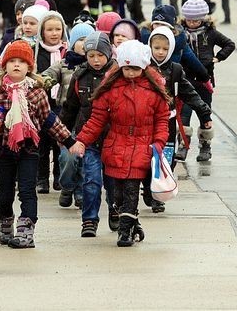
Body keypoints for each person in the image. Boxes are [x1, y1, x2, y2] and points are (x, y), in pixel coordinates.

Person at [69, 40, 170, 247]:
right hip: (116, 146)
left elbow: (162, 119)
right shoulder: (110, 89)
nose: (131, 73)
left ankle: (124, 231)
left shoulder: (154, 90)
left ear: (143, 67)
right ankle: (133, 222)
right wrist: (81, 141)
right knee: (116, 194)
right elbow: (96, 120)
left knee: (132, 190)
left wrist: (159, 143)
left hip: (142, 147)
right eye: (126, 69)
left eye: (135, 68)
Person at [0, 40, 76, 249]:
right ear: (4, 65)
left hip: (29, 150)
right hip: (4, 149)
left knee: (27, 191)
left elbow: (49, 119)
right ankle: (6, 221)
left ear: (29, 67)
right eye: (12, 61)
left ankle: (26, 230)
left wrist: (68, 141)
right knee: (4, 192)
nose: (16, 65)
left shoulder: (36, 92)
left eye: (21, 62)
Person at [146, 26, 212, 213]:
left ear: (171, 49)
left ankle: (158, 194)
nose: (160, 52)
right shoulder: (143, 67)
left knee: (166, 159)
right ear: (149, 46)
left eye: (165, 49)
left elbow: (190, 93)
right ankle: (148, 187)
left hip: (167, 122)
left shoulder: (175, 70)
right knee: (147, 158)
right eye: (156, 48)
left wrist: (204, 114)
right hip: (146, 122)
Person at [59, 31, 117, 237]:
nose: (96, 60)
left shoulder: (117, 75)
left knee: (113, 182)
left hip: (113, 139)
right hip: (89, 138)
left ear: (108, 54)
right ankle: (89, 220)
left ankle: (115, 211)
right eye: (91, 55)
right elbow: (70, 107)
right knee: (91, 181)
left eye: (100, 55)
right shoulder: (79, 76)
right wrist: (64, 136)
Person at [40, 21, 93, 210]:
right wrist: (39, 81)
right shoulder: (64, 64)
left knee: (85, 159)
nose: (85, 44)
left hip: (88, 119)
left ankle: (79, 190)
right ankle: (67, 185)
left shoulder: (96, 67)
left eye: (89, 40)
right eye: (81, 40)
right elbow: (47, 76)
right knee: (67, 157)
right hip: (68, 117)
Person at [179, 0, 235, 161]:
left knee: (204, 113)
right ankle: (183, 144)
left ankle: (205, 146)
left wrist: (218, 57)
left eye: (196, 20)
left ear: (203, 18)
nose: (193, 23)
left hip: (204, 80)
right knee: (184, 114)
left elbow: (229, 44)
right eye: (189, 20)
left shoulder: (210, 33)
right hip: (185, 79)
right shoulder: (180, 33)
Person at [34, 11, 70, 194]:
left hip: (61, 104)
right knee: (42, 143)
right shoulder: (36, 52)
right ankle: (42, 179)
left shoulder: (67, 51)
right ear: (42, 32)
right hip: (41, 104)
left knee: (59, 142)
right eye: (49, 30)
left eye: (58, 29)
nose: (54, 33)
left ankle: (58, 177)